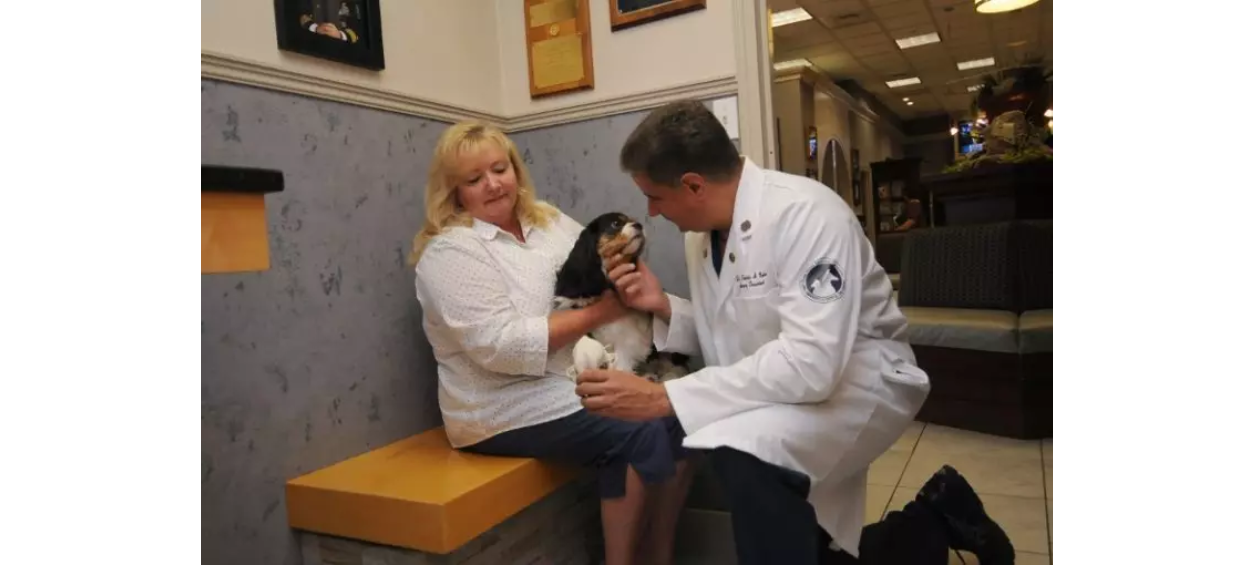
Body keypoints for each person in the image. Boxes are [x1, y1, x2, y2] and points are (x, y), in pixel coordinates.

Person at [575, 100, 1016, 565]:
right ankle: (935, 516)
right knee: (800, 529)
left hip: (860, 382)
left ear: (694, 185)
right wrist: (663, 306)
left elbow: (813, 363)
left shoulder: (807, 215)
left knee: (745, 455)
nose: (652, 213)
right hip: (788, 388)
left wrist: (665, 398)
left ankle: (928, 519)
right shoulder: (700, 237)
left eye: (655, 198)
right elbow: (731, 336)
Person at [408, 120, 695, 565]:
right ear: (454, 192)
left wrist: (634, 282)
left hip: (569, 379)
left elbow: (600, 260)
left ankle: (660, 555)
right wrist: (600, 313)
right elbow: (499, 346)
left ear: (515, 170)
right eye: (473, 179)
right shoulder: (450, 252)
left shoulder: (549, 221)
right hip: (499, 404)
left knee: (675, 412)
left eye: (499, 169)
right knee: (636, 430)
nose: (492, 184)